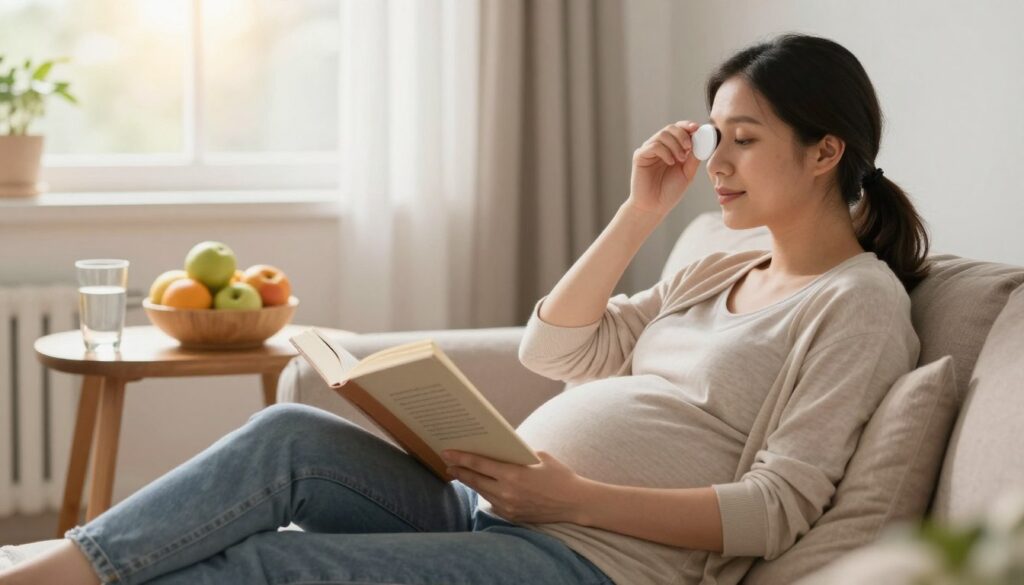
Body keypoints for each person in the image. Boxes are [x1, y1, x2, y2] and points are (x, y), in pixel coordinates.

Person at [0, 33, 928, 585]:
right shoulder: (715, 263)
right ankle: (63, 570)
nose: (716, 162)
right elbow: (558, 346)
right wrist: (640, 210)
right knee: (285, 433)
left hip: (590, 562)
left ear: (822, 152)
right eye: (713, 135)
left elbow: (777, 509)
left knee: (268, 567)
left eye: (746, 140)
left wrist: (572, 496)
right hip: (494, 510)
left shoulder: (857, 305)